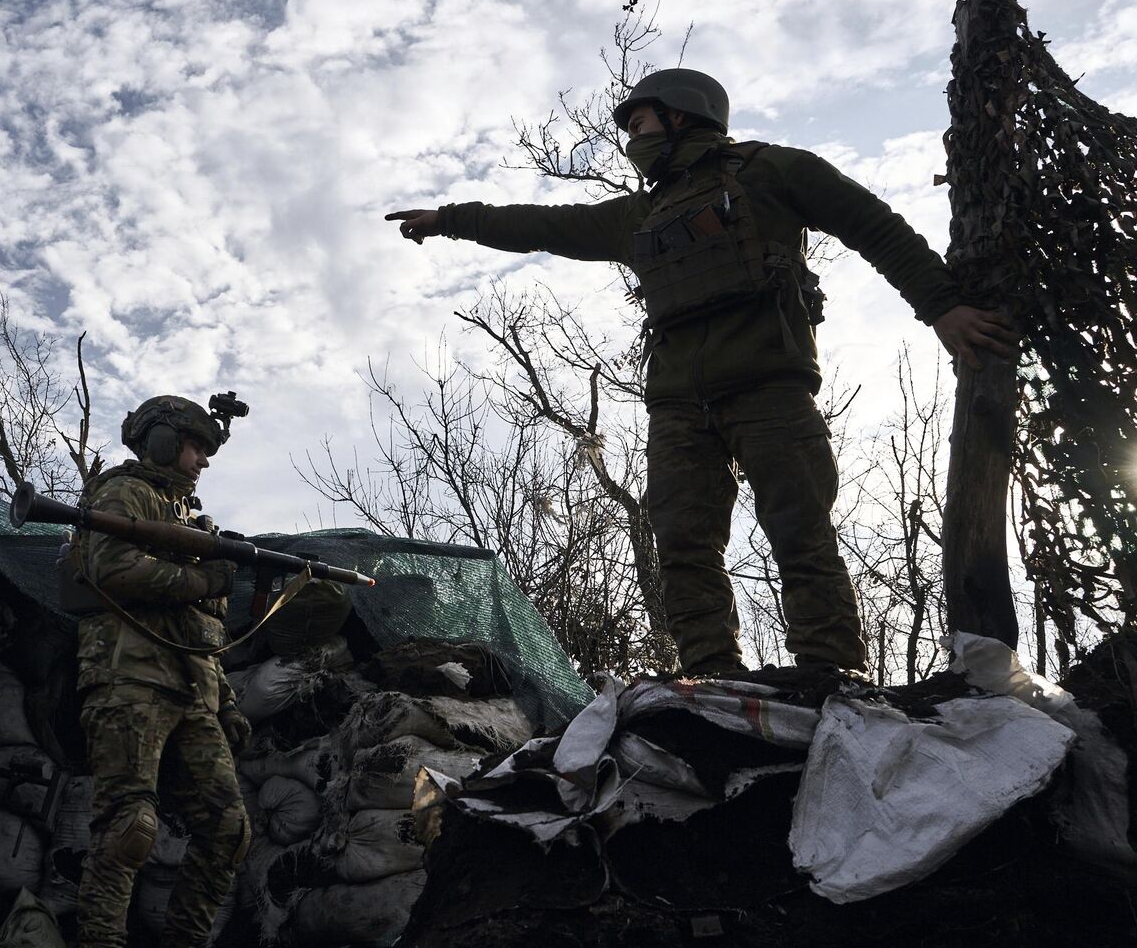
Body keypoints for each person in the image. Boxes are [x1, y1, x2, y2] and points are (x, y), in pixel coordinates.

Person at [387, 68, 1016, 678]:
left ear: (680, 114)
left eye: (640, 122)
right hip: (678, 408)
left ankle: (831, 670)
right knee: (683, 546)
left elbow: (874, 227)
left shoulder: (771, 170)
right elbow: (537, 224)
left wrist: (942, 307)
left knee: (800, 532)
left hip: (770, 388)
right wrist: (450, 220)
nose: (633, 140)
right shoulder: (637, 217)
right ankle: (710, 676)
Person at [66, 395, 251, 948]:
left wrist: (226, 700)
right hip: (130, 679)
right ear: (163, 440)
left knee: (228, 829)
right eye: (196, 446)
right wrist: (203, 581)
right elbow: (112, 566)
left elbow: (200, 631)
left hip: (193, 691)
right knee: (128, 829)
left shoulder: (192, 519)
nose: (203, 460)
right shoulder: (126, 493)